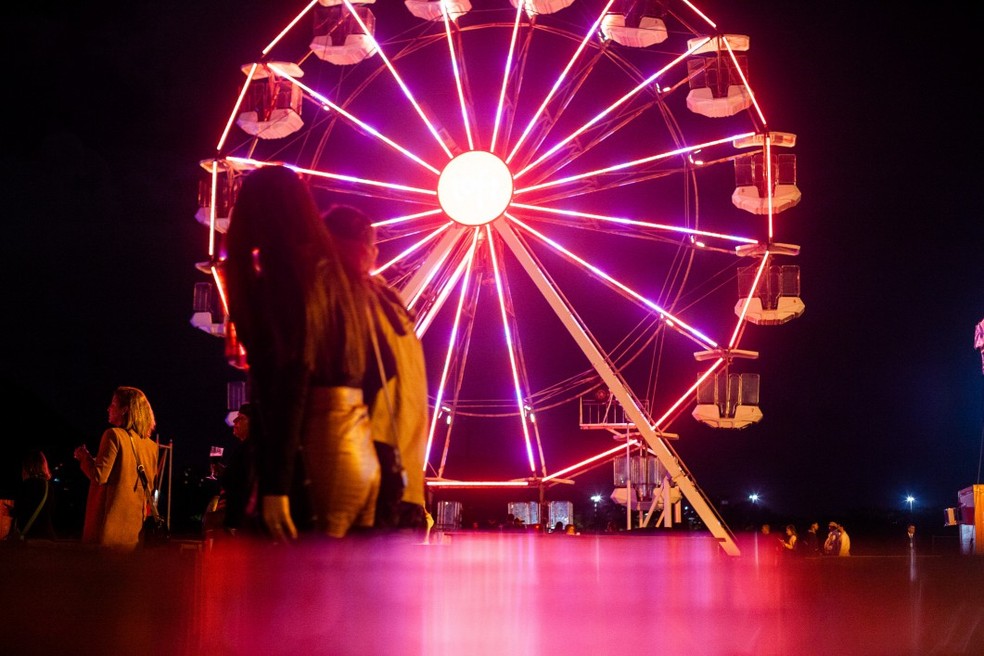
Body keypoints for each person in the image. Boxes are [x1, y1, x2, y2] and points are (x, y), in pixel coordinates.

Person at [224, 165, 379, 541]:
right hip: (355, 447)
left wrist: (275, 486)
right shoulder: (337, 277)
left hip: (313, 454)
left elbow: (290, 383)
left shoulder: (287, 278)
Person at [322, 204, 430, 532]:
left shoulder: (347, 297)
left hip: (364, 476)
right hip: (407, 479)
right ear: (373, 252)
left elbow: (357, 378)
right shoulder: (394, 306)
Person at [74, 386, 159, 550]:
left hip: (109, 528)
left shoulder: (113, 435)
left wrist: (84, 458)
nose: (108, 408)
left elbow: (99, 476)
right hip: (135, 531)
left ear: (125, 409)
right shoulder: (151, 446)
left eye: (113, 404)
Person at [220, 402, 260, 535]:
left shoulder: (250, 448)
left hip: (242, 519)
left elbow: (240, 481)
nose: (235, 421)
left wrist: (223, 474)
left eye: (240, 418)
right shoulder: (246, 447)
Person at [10, 450, 57, 540]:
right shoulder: (48, 486)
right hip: (48, 535)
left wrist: (10, 512)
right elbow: (51, 511)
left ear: (28, 467)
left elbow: (22, 511)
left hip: (31, 537)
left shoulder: (26, 486)